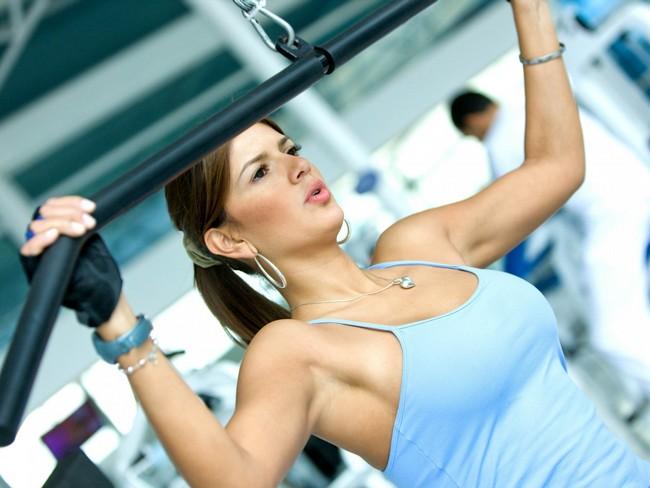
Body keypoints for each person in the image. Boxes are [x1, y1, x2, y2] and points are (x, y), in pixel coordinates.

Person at [19, 0, 650, 486]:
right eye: (260, 172)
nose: (298, 166)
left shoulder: (421, 242)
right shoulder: (295, 352)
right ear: (228, 238)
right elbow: (236, 480)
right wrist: (119, 325)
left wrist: (531, 11)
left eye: (288, 149)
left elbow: (556, 167)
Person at [449, 87, 650, 395]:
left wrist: (510, 283)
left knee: (612, 335)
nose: (477, 140)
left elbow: (516, 221)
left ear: (473, 121)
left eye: (471, 135)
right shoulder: (534, 107)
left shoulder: (500, 140)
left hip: (614, 215)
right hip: (638, 184)